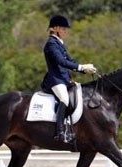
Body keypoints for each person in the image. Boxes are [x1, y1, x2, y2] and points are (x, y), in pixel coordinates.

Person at [41, 15, 97, 143]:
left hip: (64, 79)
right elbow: (61, 61)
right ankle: (59, 132)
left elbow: (70, 60)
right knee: (65, 99)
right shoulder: (51, 44)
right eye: (63, 29)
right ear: (55, 28)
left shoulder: (59, 43)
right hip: (56, 80)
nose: (65, 31)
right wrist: (81, 66)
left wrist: (84, 68)